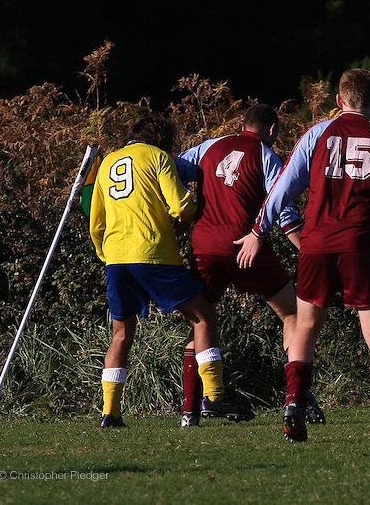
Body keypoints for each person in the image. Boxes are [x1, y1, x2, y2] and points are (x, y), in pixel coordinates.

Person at [234, 68, 370, 443]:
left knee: (306, 325)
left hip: (317, 243)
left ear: (339, 101)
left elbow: (282, 189)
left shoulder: (316, 134)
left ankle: (294, 403)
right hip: (362, 245)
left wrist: (258, 231)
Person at [88, 113, 254, 428]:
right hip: (152, 254)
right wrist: (197, 208)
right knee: (203, 316)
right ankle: (216, 396)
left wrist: (105, 252)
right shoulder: (159, 157)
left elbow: (96, 219)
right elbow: (180, 207)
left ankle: (110, 413)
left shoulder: (108, 162)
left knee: (121, 335)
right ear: (162, 139)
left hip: (116, 258)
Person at [175, 102, 323, 427]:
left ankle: (189, 411)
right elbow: (281, 207)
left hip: (204, 246)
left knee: (201, 321)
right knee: (292, 313)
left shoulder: (209, 147)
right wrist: (308, 251)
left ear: (242, 124)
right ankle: (298, 396)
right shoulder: (266, 155)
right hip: (244, 245)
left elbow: (174, 166)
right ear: (272, 130)